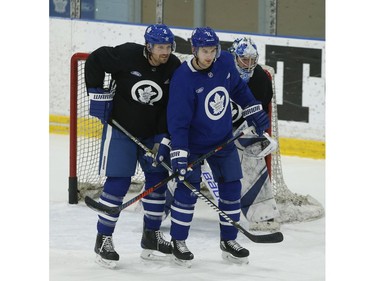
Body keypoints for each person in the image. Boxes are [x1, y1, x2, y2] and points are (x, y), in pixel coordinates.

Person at [166, 27, 270, 266]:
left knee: (232, 187)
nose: (210, 55)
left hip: (223, 140)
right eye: (205, 51)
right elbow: (178, 122)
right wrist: (180, 155)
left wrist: (253, 110)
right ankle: (178, 242)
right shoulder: (183, 78)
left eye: (213, 50)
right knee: (187, 192)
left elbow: (238, 89)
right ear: (194, 50)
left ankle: (229, 241)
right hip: (192, 145)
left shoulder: (224, 62)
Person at [84, 24, 181, 268]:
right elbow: (95, 60)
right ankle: (103, 239)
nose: (165, 52)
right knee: (118, 183)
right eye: (160, 47)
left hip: (153, 135)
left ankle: (151, 238)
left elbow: (170, 105)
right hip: (121, 129)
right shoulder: (127, 54)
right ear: (148, 46)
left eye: (168, 47)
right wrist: (96, 92)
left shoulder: (173, 66)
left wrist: (163, 137)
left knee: (158, 181)